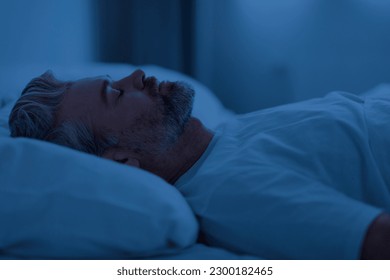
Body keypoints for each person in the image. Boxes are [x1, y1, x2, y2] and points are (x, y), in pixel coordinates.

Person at [8, 69, 390, 260]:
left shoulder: (224, 136)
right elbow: (375, 241)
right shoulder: (232, 194)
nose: (137, 75)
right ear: (122, 159)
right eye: (116, 93)